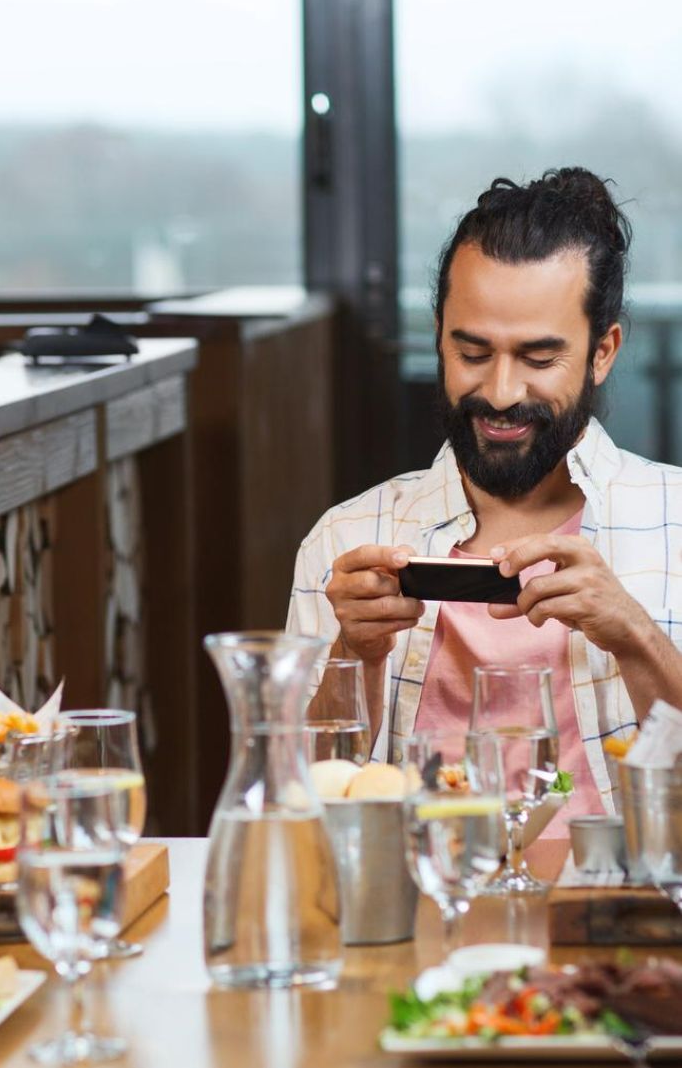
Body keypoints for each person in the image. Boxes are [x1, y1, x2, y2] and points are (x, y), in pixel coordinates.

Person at [288, 168, 682, 821]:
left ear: (603, 351)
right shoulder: (345, 537)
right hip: (421, 906)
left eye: (537, 358)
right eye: (472, 352)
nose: (500, 392)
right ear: (440, 336)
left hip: (623, 912)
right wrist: (350, 656)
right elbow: (300, 804)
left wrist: (636, 635)